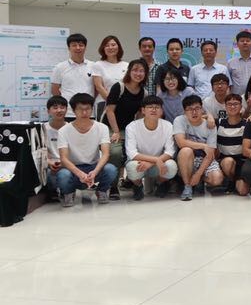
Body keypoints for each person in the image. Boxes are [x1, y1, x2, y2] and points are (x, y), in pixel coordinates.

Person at [56, 93, 118, 207]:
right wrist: (79, 174)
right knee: (63, 175)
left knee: (111, 169)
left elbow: (105, 154)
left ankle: (102, 191)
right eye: (80, 109)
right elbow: (63, 159)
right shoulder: (63, 131)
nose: (84, 113)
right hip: (74, 168)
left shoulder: (102, 127)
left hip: (93, 166)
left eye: (88, 109)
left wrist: (95, 172)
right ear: (73, 110)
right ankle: (68, 193)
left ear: (92, 109)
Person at [103, 58, 148, 199]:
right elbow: (110, 111)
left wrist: (138, 133)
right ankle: (113, 186)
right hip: (111, 127)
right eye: (135, 70)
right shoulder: (119, 87)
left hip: (129, 129)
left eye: (142, 71)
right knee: (115, 152)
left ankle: (133, 181)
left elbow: (139, 115)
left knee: (140, 149)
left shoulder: (144, 93)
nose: (138, 73)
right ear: (129, 71)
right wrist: (116, 132)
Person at [124, 96, 178, 200]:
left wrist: (153, 162)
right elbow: (132, 153)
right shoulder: (132, 126)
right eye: (150, 107)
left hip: (158, 164)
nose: (153, 110)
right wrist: (156, 160)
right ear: (143, 110)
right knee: (131, 167)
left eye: (157, 107)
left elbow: (170, 151)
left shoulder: (168, 126)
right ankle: (137, 185)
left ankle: (160, 183)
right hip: (140, 163)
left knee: (171, 166)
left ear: (161, 111)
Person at [174, 95, 223, 201]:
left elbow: (210, 154)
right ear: (184, 111)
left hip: (205, 158)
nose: (194, 112)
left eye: (197, 108)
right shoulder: (179, 120)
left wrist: (198, 174)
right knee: (185, 150)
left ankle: (199, 180)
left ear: (202, 109)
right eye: (190, 109)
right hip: (187, 159)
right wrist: (203, 145)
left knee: (217, 179)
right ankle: (187, 186)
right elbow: (181, 143)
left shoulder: (210, 125)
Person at [51, 33, 95, 117]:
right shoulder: (60, 67)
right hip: (68, 113)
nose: (78, 48)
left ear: (85, 47)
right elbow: (55, 90)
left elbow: (96, 89)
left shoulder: (94, 66)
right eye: (74, 45)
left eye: (81, 45)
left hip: (89, 112)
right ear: (69, 48)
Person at [216, 94, 247, 194]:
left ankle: (239, 180)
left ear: (241, 106)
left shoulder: (247, 124)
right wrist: (209, 117)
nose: (232, 107)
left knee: (243, 191)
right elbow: (202, 117)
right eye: (229, 104)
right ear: (225, 107)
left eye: (236, 104)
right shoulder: (219, 122)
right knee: (228, 162)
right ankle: (231, 180)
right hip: (225, 160)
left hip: (242, 161)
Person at [91, 35, 129, 113]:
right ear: (103, 49)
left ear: (118, 47)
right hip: (104, 103)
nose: (110, 47)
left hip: (124, 104)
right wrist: (112, 103)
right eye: (107, 45)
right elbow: (99, 87)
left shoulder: (127, 65)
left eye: (113, 45)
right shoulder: (98, 65)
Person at [43, 95, 68, 199]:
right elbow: (40, 151)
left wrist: (65, 163)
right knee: (49, 173)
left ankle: (66, 191)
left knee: (65, 174)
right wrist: (49, 162)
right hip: (49, 164)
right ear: (48, 111)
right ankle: (53, 191)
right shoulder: (43, 129)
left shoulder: (71, 128)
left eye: (62, 107)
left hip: (68, 164)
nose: (59, 110)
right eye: (55, 107)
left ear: (66, 109)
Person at [228, 31, 251, 95]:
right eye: (242, 41)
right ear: (237, 44)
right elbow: (229, 84)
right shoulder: (231, 63)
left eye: (247, 41)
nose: (245, 43)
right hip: (237, 98)